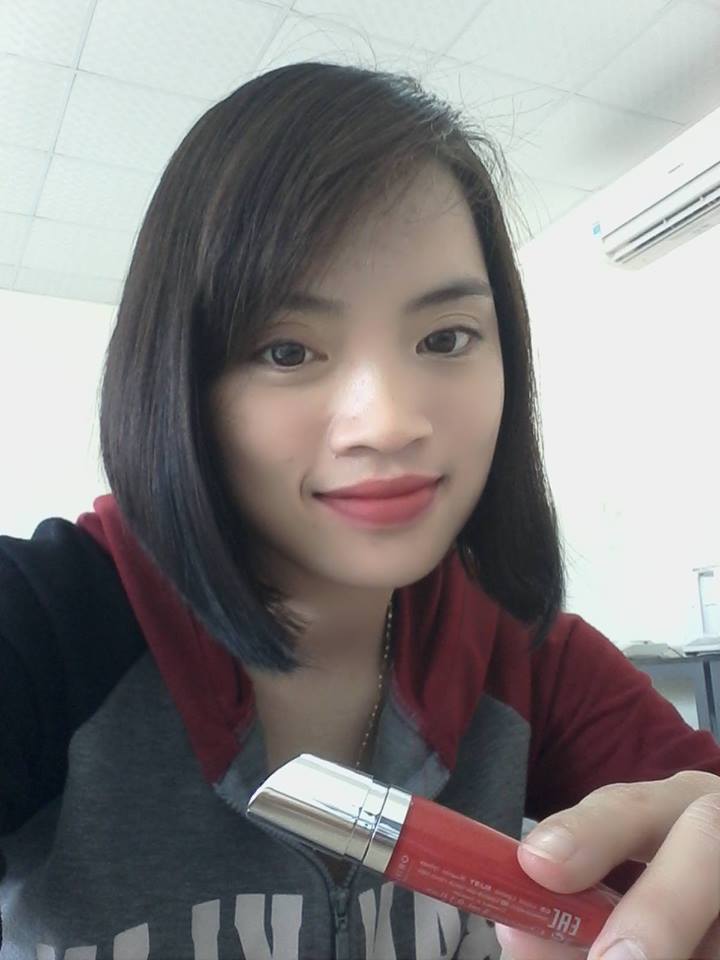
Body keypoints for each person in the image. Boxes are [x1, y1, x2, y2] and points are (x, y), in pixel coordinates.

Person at [1, 62, 719, 960]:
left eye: (445, 338)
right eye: (287, 351)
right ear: (177, 381)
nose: (388, 422)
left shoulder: (531, 663)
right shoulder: (42, 627)